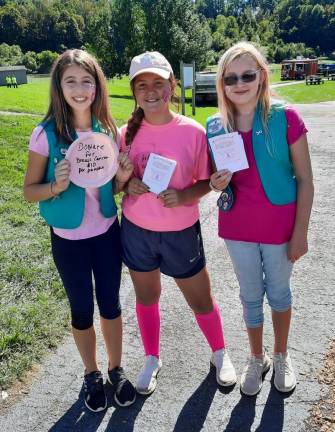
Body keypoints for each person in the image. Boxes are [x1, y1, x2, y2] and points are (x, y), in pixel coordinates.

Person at [23, 49, 136, 412]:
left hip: (106, 233)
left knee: (112, 305)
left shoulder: (108, 131)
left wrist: (120, 179)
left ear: (97, 86)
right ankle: (91, 374)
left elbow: (111, 189)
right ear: (59, 86)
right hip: (68, 240)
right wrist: (54, 187)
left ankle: (115, 369)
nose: (80, 88)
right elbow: (29, 191)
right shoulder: (46, 135)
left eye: (87, 80)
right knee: (81, 309)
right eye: (70, 80)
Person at [119, 51, 236, 395]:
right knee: (146, 297)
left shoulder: (193, 132)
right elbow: (114, 183)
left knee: (200, 300)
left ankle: (219, 352)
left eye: (159, 83)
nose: (151, 91)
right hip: (137, 231)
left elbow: (206, 180)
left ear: (172, 85)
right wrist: (127, 183)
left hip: (181, 233)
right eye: (143, 85)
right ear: (134, 91)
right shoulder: (125, 133)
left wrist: (185, 196)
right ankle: (152, 357)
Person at [208, 41, 314, 396]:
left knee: (280, 293)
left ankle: (281, 355)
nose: (239, 83)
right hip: (237, 226)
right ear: (222, 83)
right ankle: (258, 357)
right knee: (250, 295)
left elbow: (306, 179)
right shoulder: (215, 125)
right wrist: (214, 181)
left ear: (261, 77)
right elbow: (212, 177)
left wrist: (301, 232)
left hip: (279, 226)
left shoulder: (286, 118)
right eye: (230, 77)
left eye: (247, 75)